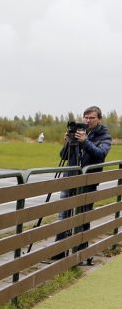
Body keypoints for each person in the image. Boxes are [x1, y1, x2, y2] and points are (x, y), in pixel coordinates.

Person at [52, 106, 111, 263]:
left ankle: (82, 251)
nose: (88, 120)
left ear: (99, 119)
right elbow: (63, 156)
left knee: (83, 216)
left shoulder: (104, 136)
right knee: (63, 215)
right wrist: (69, 142)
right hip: (70, 178)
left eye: (91, 117)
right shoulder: (78, 131)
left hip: (88, 181)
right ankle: (59, 249)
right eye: (86, 117)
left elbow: (101, 154)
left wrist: (85, 142)